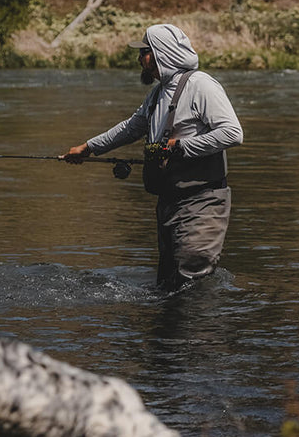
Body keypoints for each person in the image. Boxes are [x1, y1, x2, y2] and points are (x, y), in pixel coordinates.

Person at [63, 23, 243, 290]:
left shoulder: (201, 85)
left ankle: (199, 331)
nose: (139, 59)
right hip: (170, 201)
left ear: (162, 53)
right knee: (168, 284)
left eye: (144, 52)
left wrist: (181, 146)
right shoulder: (157, 94)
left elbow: (232, 133)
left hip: (203, 201)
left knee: (189, 280)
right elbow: (130, 128)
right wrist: (88, 148)